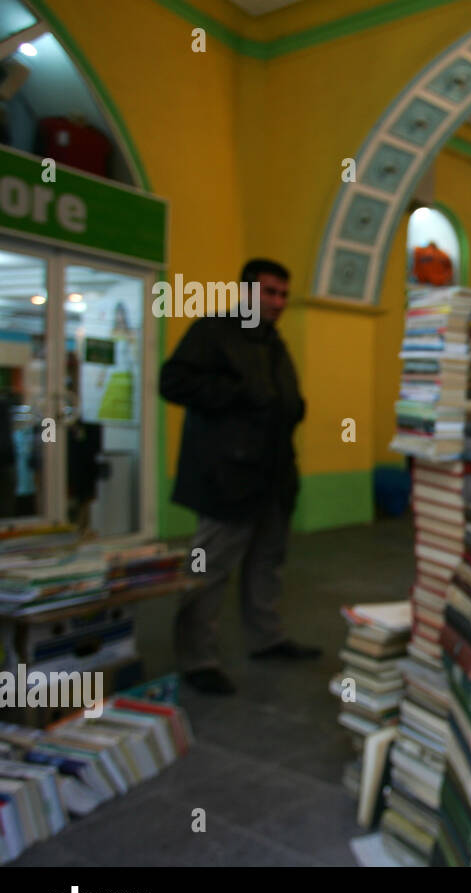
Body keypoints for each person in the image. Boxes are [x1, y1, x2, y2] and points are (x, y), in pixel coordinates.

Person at [159, 258, 318, 695]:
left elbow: (276, 398)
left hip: (273, 474)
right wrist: (236, 394)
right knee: (206, 568)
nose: (278, 302)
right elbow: (172, 381)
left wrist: (294, 406)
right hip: (226, 475)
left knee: (267, 562)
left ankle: (266, 638)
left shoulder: (273, 341)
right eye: (269, 292)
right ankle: (196, 658)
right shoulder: (215, 331)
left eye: (283, 294)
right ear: (246, 292)